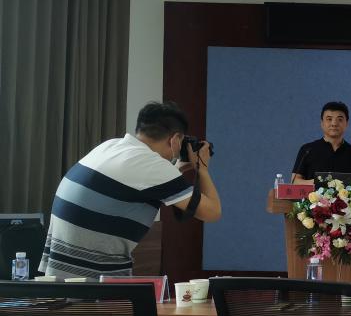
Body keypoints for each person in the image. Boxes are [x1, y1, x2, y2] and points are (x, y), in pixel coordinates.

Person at [40, 101, 222, 279]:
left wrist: (178, 169)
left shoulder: (110, 146)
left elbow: (145, 184)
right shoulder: (153, 166)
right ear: (174, 139)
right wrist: (202, 170)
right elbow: (212, 212)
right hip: (95, 284)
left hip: (58, 277)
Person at [291, 101, 351, 182]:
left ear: (346, 123)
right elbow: (295, 181)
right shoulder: (307, 150)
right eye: (329, 119)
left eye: (340, 119)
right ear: (322, 123)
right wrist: (317, 183)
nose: (334, 124)